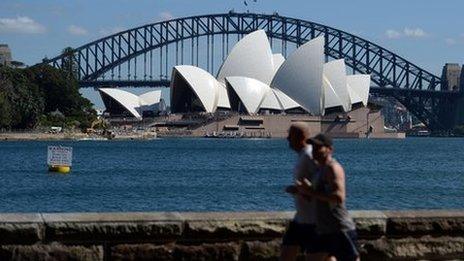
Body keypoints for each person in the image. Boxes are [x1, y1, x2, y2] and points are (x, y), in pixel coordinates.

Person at [296, 133, 359, 261]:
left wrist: (310, 192)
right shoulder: (320, 170)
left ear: (330, 149)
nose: (314, 151)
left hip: (339, 227)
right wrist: (302, 190)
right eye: (313, 148)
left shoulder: (333, 168)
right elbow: (316, 197)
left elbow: (339, 197)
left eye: (319, 147)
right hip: (323, 228)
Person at [281, 123, 326, 261]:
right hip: (301, 218)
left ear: (300, 137)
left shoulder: (310, 156)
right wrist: (298, 189)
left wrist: (304, 190)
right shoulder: (302, 155)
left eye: (290, 136)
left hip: (315, 221)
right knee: (286, 254)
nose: (287, 139)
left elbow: (325, 183)